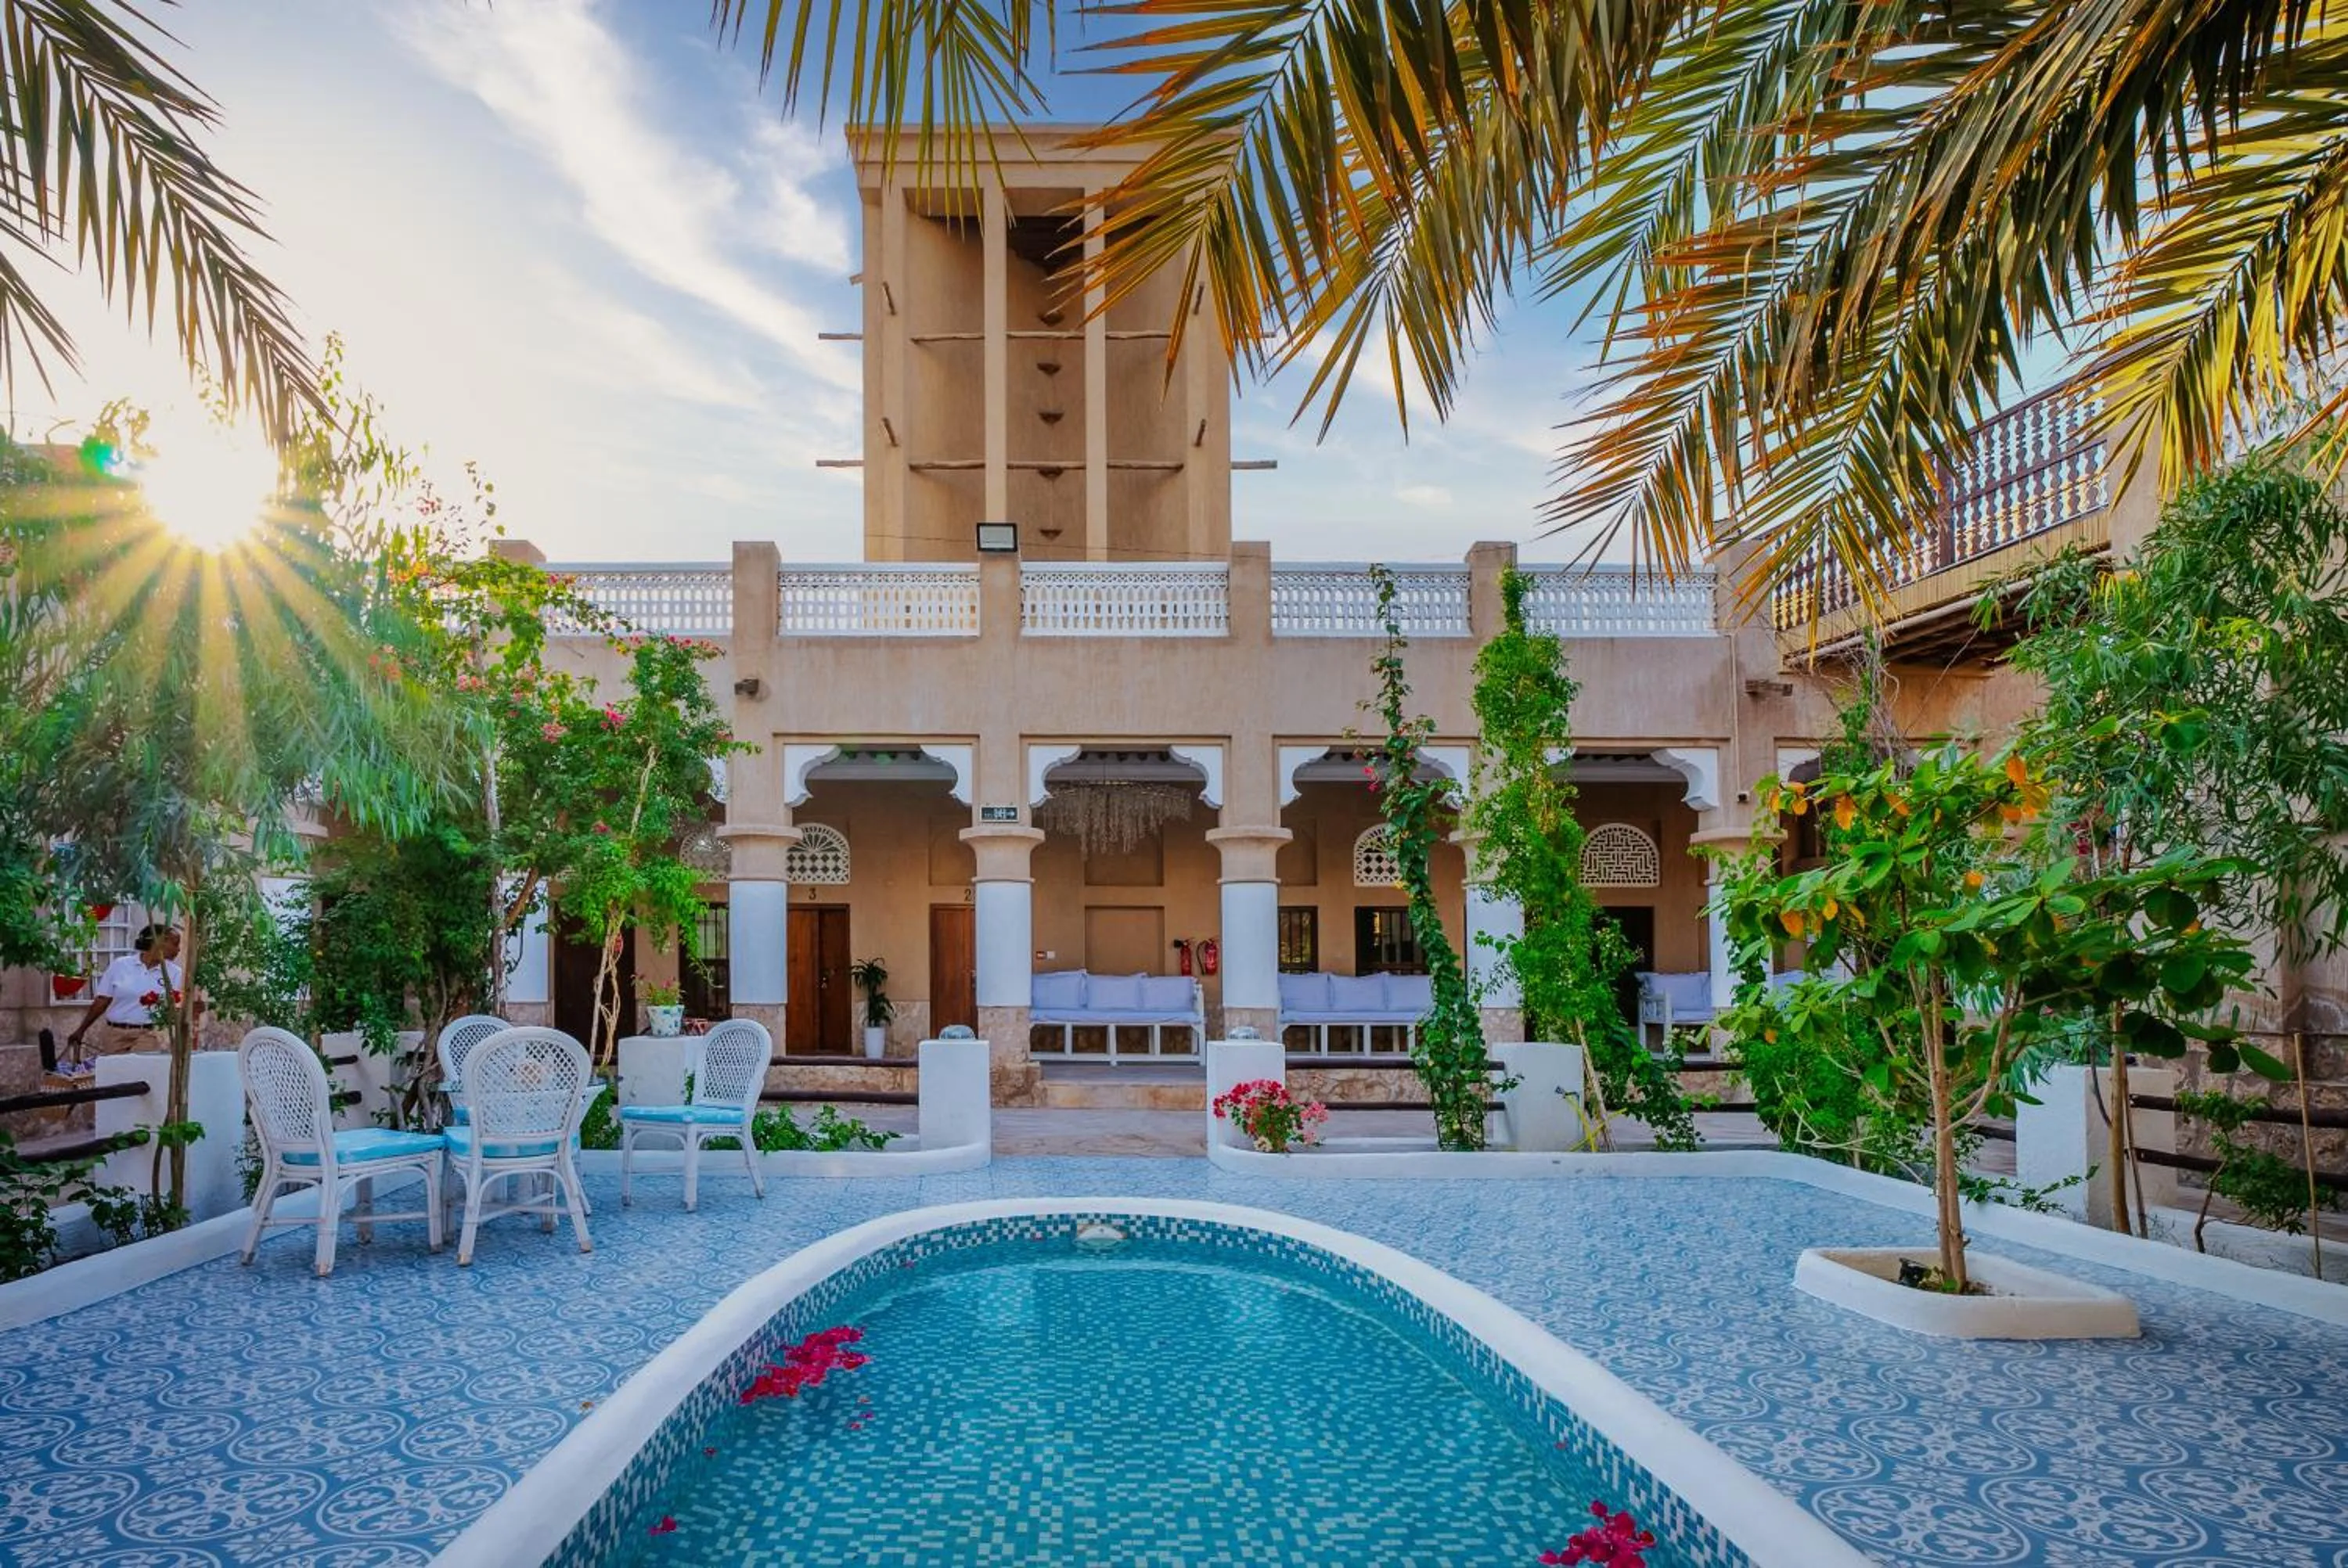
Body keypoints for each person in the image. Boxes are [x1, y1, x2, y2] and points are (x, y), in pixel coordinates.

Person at [62, 924, 193, 1072]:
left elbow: (177, 1006)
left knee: (137, 1073)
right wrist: (81, 1030)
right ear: (160, 942)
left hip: (148, 1034)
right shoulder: (120, 965)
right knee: (116, 1077)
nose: (179, 949)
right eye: (175, 944)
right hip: (115, 1033)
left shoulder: (175, 974)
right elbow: (102, 1000)